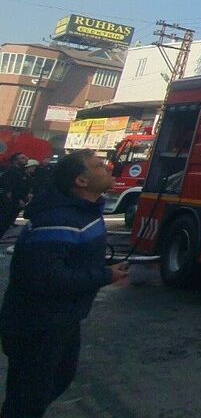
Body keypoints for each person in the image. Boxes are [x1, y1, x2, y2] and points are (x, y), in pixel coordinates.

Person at [0, 151, 128, 418]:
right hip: (38, 323)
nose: (107, 168)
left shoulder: (83, 213)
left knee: (59, 378)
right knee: (28, 397)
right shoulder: (59, 219)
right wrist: (105, 276)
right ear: (81, 181)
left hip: (63, 319)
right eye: (98, 166)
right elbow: (45, 277)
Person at [0, 155, 33, 240]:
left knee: (6, 223)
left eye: (26, 157)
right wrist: (18, 200)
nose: (26, 159)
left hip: (17, 203)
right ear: (15, 161)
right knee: (3, 222)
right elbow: (9, 189)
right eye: (22, 158)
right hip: (10, 204)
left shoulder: (22, 172)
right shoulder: (11, 172)